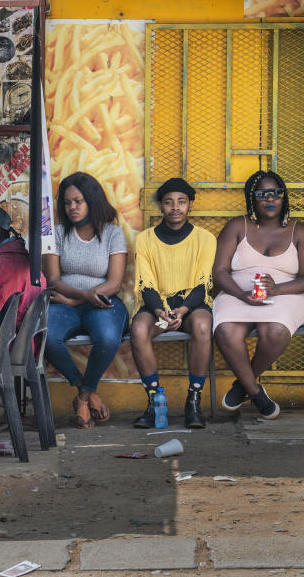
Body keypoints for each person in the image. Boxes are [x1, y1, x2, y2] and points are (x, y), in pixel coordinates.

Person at [212, 171, 304, 419]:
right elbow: (219, 271)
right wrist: (241, 294)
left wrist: (277, 289)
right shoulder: (238, 226)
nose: (270, 198)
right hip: (237, 292)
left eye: (276, 193)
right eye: (262, 194)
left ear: (284, 198)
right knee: (226, 331)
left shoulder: (298, 231)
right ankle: (256, 392)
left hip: (287, 294)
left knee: (276, 330)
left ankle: (242, 386)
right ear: (252, 199)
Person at [43, 172, 129, 429]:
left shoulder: (113, 234)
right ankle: (86, 391)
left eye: (78, 201)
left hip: (103, 303)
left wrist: (82, 300)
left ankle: (82, 396)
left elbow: (114, 283)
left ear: (92, 200)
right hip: (66, 302)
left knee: (108, 338)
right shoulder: (58, 233)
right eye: (68, 203)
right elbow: (53, 280)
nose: (72, 208)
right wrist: (79, 298)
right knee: (46, 335)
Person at [129, 178, 216, 429]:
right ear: (160, 206)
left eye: (181, 202)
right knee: (139, 329)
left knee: (201, 326)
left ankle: (194, 401)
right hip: (159, 308)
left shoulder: (205, 238)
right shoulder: (145, 239)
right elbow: (146, 284)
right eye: (168, 202)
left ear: (190, 205)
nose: (175, 207)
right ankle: (155, 401)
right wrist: (161, 312)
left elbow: (202, 284)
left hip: (191, 307)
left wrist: (183, 309)